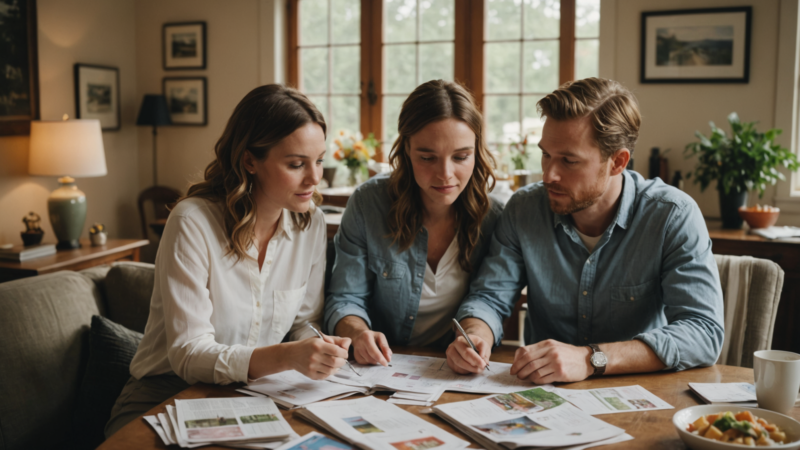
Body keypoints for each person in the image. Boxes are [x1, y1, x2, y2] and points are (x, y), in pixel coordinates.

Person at [105, 85, 351, 437]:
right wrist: (286, 357)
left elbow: (303, 321)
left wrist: (317, 347)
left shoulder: (308, 222)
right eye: (296, 164)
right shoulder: (193, 222)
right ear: (250, 160)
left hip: (254, 394)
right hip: (164, 396)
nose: (315, 178)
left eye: (320, 160)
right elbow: (188, 355)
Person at [448, 77, 725, 382]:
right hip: (544, 395)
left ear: (617, 162)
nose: (549, 174)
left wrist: (590, 358)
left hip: (640, 395)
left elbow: (703, 332)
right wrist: (475, 334)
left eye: (569, 160)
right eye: (546, 155)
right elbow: (490, 297)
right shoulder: (524, 209)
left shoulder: (672, 216)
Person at [324, 80, 503, 366]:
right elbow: (346, 297)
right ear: (406, 149)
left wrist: (474, 336)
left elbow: (490, 298)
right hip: (380, 368)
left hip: (452, 372)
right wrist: (358, 334)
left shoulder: (494, 216)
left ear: (477, 152)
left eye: (461, 156)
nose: (445, 174)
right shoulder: (368, 204)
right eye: (427, 157)